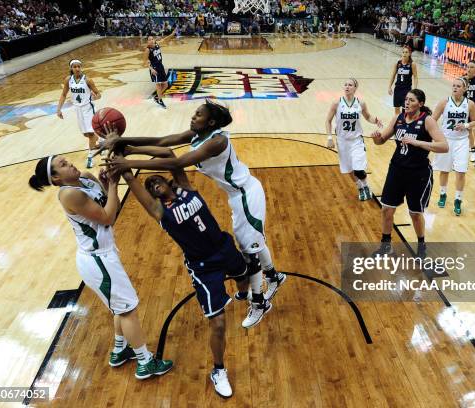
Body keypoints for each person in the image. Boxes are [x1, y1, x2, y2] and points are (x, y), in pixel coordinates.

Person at [99, 101, 286, 320]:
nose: (193, 117)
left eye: (198, 115)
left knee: (249, 249)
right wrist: (123, 143)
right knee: (252, 242)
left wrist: (125, 164)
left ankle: (259, 302)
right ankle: (274, 276)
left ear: (211, 122)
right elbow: (163, 142)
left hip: (246, 194)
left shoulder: (217, 141)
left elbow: (176, 163)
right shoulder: (199, 134)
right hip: (235, 196)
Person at [113, 144, 254, 398]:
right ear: (154, 196)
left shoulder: (186, 186)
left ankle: (245, 297)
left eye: (157, 179)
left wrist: (133, 149)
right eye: (150, 186)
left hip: (224, 245)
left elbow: (168, 155)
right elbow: (131, 179)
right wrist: (123, 162)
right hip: (202, 266)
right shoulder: (159, 211)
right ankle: (218, 370)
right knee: (218, 323)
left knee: (243, 277)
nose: (153, 183)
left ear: (168, 180)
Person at [28, 155, 173, 380]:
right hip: (97, 260)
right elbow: (107, 217)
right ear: (56, 178)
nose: (71, 164)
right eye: (63, 165)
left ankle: (119, 350)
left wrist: (105, 183)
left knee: (120, 307)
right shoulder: (69, 194)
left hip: (105, 256)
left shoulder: (85, 179)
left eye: (67, 160)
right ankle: (145, 362)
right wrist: (115, 184)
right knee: (128, 310)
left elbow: (105, 201)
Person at [371, 89, 448, 256]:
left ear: (420, 104)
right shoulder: (398, 119)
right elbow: (381, 141)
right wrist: (376, 137)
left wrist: (417, 142)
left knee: (415, 213)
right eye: (406, 99)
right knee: (386, 209)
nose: (407, 102)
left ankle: (421, 245)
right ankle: (386, 245)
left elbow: (444, 146)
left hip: (418, 173)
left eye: (411, 100)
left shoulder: (427, 121)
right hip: (397, 169)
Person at [326, 78, 383, 201]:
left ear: (355, 88)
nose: (347, 87)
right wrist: (329, 137)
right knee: (349, 169)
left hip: (356, 140)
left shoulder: (360, 103)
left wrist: (376, 120)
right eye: (345, 84)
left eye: (350, 85)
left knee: (358, 168)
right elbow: (328, 121)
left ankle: (366, 186)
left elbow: (368, 116)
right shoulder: (336, 103)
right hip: (342, 141)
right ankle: (360, 187)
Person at [431, 78, 475, 216]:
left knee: (461, 171)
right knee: (444, 170)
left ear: (465, 89)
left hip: (462, 141)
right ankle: (443, 194)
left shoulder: (470, 104)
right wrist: (436, 136)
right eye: (454, 85)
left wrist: (465, 125)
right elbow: (432, 120)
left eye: (458, 86)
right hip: (446, 140)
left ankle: (458, 199)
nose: (455, 88)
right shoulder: (444, 102)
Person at [56, 59, 102, 169]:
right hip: (77, 109)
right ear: (71, 68)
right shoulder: (68, 80)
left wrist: (96, 97)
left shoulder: (88, 80)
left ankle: (90, 157)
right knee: (86, 134)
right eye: (74, 67)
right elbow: (63, 94)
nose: (77, 69)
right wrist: (59, 109)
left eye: (78, 66)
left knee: (90, 134)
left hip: (88, 108)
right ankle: (102, 142)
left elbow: (99, 94)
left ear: (81, 67)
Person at [144, 30, 176, 109]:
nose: (151, 40)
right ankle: (160, 100)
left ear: (154, 40)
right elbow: (145, 61)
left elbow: (165, 39)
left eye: (152, 39)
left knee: (166, 85)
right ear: (147, 42)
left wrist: (172, 34)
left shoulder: (157, 44)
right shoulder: (147, 50)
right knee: (158, 85)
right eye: (149, 39)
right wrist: (151, 69)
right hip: (154, 69)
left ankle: (157, 97)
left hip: (160, 66)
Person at [388, 46, 418, 116]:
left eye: (406, 52)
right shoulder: (398, 63)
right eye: (403, 52)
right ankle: (398, 124)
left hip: (407, 90)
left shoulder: (412, 64)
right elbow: (393, 76)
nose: (404, 54)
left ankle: (405, 124)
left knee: (405, 110)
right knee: (397, 111)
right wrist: (389, 87)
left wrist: (415, 89)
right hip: (397, 89)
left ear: (409, 54)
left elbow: (415, 77)